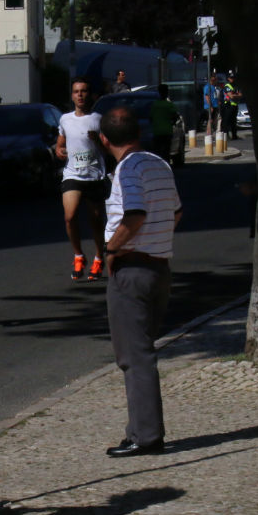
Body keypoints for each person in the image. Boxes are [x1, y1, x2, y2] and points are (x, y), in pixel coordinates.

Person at [98, 107, 182, 458]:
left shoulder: (127, 169)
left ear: (103, 139)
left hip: (132, 270)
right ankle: (139, 429)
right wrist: (157, 241)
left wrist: (110, 249)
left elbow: (134, 214)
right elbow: (176, 211)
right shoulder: (158, 164)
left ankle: (146, 436)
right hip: (159, 267)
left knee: (135, 356)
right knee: (142, 349)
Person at [54, 77, 107, 281]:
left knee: (95, 219)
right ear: (72, 95)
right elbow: (61, 143)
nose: (80, 95)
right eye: (76, 91)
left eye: (84, 91)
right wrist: (59, 149)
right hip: (72, 174)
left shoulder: (98, 119)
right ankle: (78, 255)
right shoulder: (65, 119)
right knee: (70, 216)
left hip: (94, 175)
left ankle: (99, 256)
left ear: (90, 94)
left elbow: (108, 149)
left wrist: (97, 141)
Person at [149, 84, 180, 163]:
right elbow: (175, 116)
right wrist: (172, 122)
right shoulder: (169, 105)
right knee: (166, 151)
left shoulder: (154, 105)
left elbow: (150, 118)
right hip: (167, 131)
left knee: (158, 151)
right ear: (167, 92)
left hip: (157, 132)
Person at [222, 73, 243, 140]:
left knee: (234, 121)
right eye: (231, 78)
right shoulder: (227, 86)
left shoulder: (236, 86)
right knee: (227, 121)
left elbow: (241, 95)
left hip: (235, 105)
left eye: (233, 78)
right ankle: (226, 136)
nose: (232, 79)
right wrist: (236, 95)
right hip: (228, 105)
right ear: (228, 78)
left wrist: (235, 95)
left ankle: (234, 136)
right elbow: (231, 96)